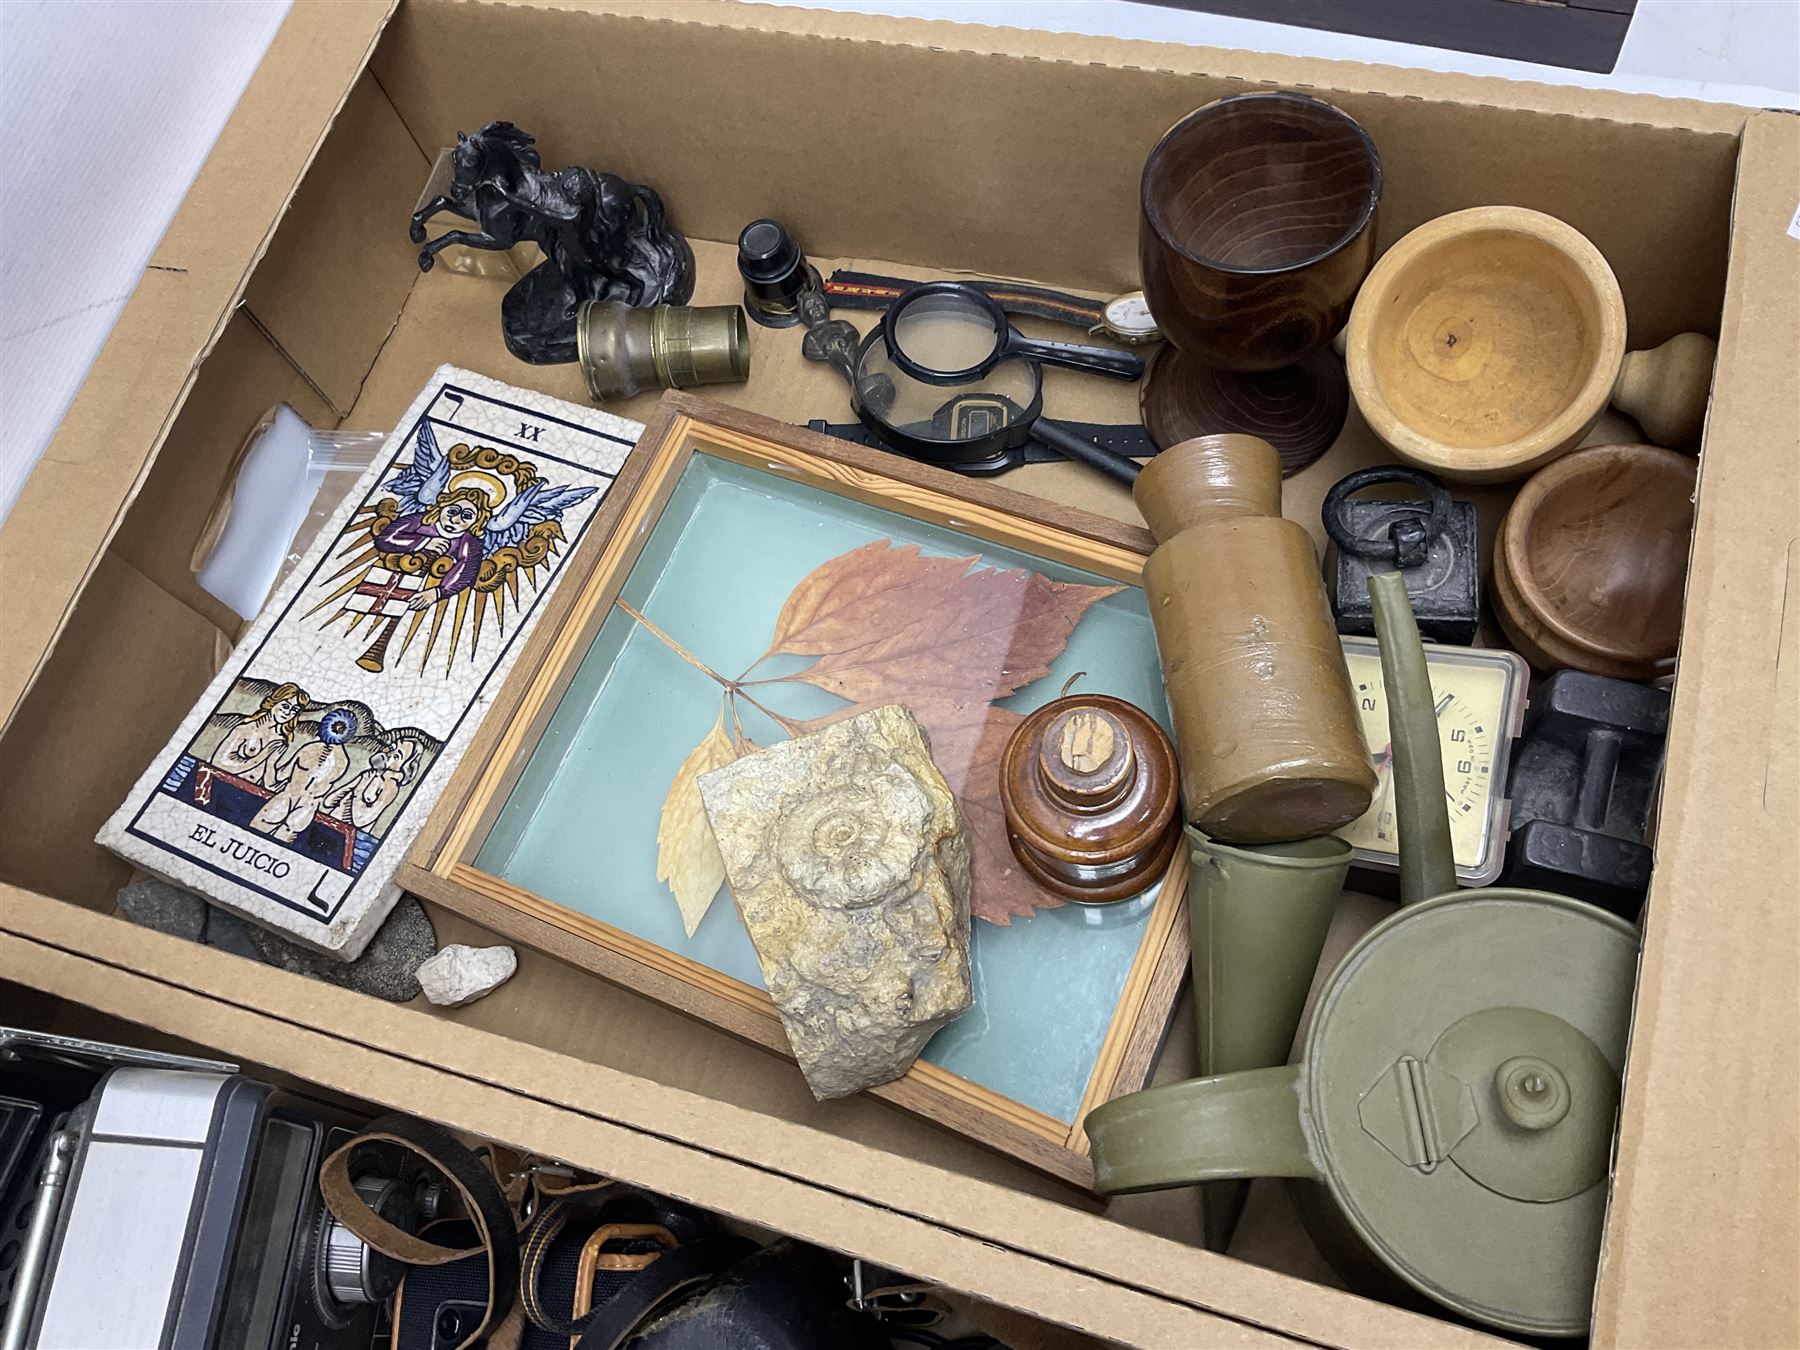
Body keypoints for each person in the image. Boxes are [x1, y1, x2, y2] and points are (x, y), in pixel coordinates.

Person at [374, 485, 491, 613]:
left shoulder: (469, 540)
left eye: (467, 516)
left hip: (427, 588)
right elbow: (384, 539)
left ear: (476, 522)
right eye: (452, 511)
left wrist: (438, 592)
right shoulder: (420, 520)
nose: (456, 520)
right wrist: (423, 541)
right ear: (442, 507)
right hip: (389, 579)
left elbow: (467, 567)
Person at [251, 708, 355, 844]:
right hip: (307, 807)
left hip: (288, 798)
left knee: (254, 832)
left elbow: (281, 776)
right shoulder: (343, 761)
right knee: (279, 843)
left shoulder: (310, 749)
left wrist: (271, 760)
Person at [213, 682, 309, 788]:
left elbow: (268, 774)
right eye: (285, 706)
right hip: (222, 784)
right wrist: (263, 754)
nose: (287, 713)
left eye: (294, 710)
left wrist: (283, 786)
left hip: (249, 789)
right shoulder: (245, 729)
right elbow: (219, 763)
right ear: (274, 702)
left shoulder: (280, 740)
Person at [321, 735, 419, 833]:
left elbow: (361, 821)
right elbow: (329, 802)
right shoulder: (370, 775)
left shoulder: (391, 787)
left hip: (347, 836)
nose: (389, 754)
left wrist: (359, 790)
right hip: (329, 824)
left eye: (397, 756)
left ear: (405, 766)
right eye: (392, 748)